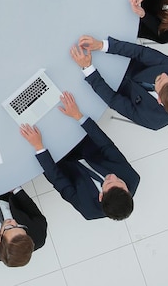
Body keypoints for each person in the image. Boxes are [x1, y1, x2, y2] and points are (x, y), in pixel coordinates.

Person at [21, 92, 139, 220]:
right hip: (81, 141)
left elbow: (58, 181)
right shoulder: (132, 177)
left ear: (100, 197)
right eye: (120, 181)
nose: (113, 176)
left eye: (109, 182)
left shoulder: (88, 209)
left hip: (58, 160)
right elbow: (106, 146)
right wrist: (78, 115)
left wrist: (39, 147)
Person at [71, 35, 168, 130]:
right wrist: (102, 45)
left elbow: (114, 100)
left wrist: (88, 68)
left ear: (159, 100)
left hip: (113, 86)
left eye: (160, 80)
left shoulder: (153, 120)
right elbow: (142, 53)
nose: (164, 74)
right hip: (124, 60)